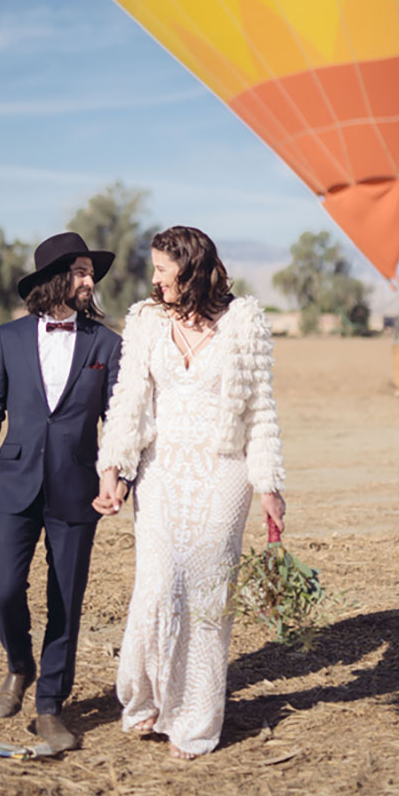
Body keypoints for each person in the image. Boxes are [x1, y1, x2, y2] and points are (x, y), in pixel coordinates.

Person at [93, 225, 285, 760]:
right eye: (153, 269)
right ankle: (146, 700)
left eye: (162, 269)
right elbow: (128, 401)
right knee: (156, 588)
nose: (154, 279)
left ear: (191, 269)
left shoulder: (244, 322)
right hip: (161, 472)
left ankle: (195, 722)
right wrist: (113, 468)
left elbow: (261, 410)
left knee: (206, 598)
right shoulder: (146, 322)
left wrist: (269, 486)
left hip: (224, 472)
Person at [0, 232, 122, 752]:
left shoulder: (106, 343)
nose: (88, 280)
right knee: (5, 588)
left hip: (79, 491)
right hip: (15, 484)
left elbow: (119, 421)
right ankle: (19, 665)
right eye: (78, 271)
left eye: (89, 272)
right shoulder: (8, 338)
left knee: (65, 602)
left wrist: (120, 476)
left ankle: (50, 704)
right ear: (54, 279)